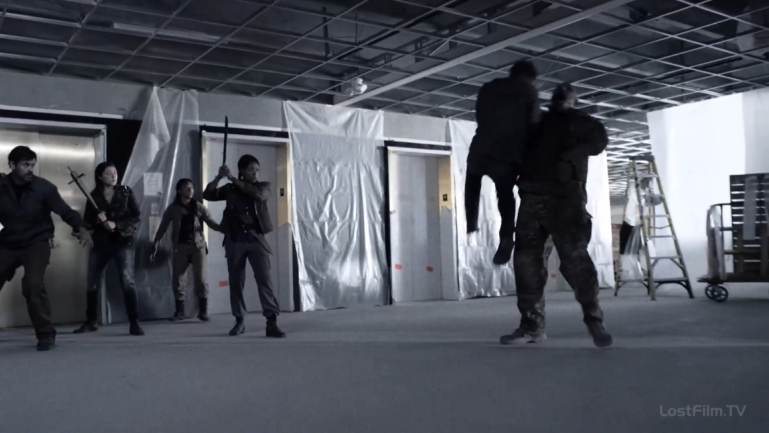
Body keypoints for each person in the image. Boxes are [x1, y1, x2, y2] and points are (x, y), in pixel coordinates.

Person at [502, 83, 613, 348]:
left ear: (573, 100)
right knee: (527, 264)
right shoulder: (536, 122)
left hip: (566, 199)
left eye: (565, 94)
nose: (561, 96)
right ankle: (531, 326)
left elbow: (598, 142)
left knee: (576, 261)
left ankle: (594, 320)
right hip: (532, 198)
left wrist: (570, 148)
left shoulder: (582, 122)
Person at [0, 146, 93, 351]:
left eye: (32, 165)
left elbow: (66, 211)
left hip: (36, 242)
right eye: (25, 165)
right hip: (8, 242)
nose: (30, 169)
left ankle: (46, 334)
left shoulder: (44, 188)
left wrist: (81, 228)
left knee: (32, 285)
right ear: (12, 165)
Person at [465, 59, 540, 265]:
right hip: (507, 153)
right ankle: (507, 235)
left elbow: (479, 116)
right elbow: (533, 124)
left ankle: (471, 222)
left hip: (481, 149)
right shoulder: (528, 91)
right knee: (505, 195)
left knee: (472, 183)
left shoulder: (488, 88)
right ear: (528, 77)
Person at [203, 154, 285, 338]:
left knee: (265, 280)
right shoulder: (231, 189)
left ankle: (271, 321)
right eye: (250, 169)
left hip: (256, 239)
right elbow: (208, 194)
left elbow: (257, 194)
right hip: (235, 239)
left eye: (256, 169)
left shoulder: (264, 186)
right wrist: (219, 177)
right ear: (242, 171)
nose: (254, 173)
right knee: (236, 281)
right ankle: (239, 320)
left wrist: (232, 178)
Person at [73, 162, 144, 336]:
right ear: (100, 176)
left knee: (127, 280)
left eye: (115, 172)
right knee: (93, 281)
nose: (113, 176)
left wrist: (116, 224)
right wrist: (95, 223)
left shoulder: (125, 191)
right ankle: (91, 321)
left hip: (123, 240)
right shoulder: (93, 196)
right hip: (101, 242)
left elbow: (136, 215)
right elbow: (88, 222)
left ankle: (134, 322)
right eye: (108, 173)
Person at [151, 178, 221, 322]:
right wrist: (156, 242)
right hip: (180, 247)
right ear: (179, 190)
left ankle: (203, 311)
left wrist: (225, 228)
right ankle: (180, 311)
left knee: (201, 279)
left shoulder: (198, 206)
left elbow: (211, 222)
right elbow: (163, 226)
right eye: (186, 187)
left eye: (192, 187)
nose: (190, 189)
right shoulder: (173, 208)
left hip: (198, 246)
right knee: (178, 279)